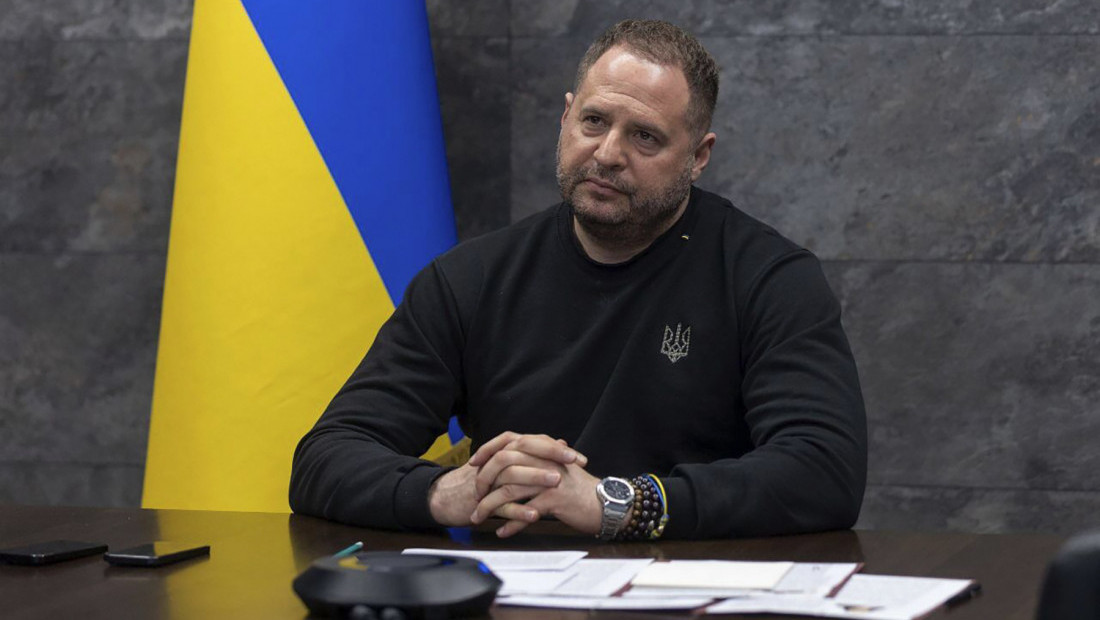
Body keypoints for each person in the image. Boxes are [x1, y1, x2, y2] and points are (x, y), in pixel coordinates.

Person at [289, 19, 867, 540]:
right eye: (594, 121)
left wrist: (617, 503)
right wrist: (447, 492)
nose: (608, 153)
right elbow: (325, 458)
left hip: (696, 591)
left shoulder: (768, 278)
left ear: (698, 156)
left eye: (645, 136)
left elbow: (823, 471)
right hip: (516, 593)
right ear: (566, 117)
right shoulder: (470, 279)